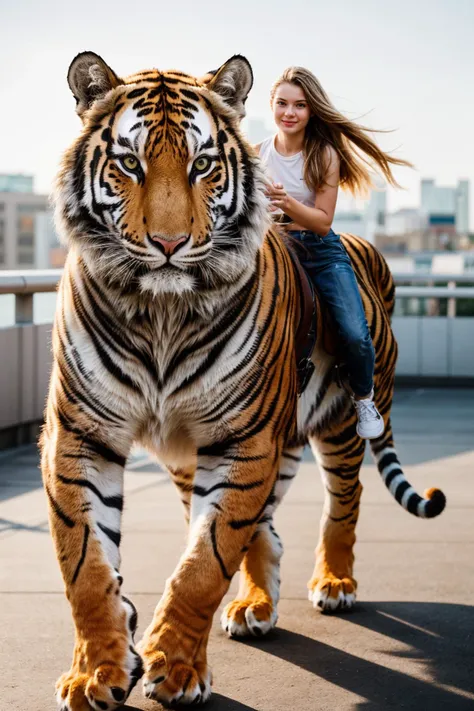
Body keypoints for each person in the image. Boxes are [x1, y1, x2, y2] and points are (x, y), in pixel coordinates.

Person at [256, 66, 412, 439]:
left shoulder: (324, 155)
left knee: (356, 333)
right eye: (282, 104)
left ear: (312, 111)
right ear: (272, 106)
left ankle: (363, 397)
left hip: (318, 250)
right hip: (273, 248)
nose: (289, 113)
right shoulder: (256, 153)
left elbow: (323, 222)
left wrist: (284, 202)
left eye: (300, 105)